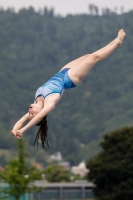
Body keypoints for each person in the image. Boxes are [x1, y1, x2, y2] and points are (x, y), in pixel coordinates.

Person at [11, 29, 126, 149]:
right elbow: (38, 118)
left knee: (88, 55)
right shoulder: (49, 103)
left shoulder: (37, 102)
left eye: (29, 113)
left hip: (61, 73)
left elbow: (21, 121)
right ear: (39, 113)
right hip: (70, 79)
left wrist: (15, 130)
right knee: (94, 58)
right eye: (31, 113)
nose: (29, 110)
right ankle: (117, 41)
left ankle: (115, 43)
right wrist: (23, 130)